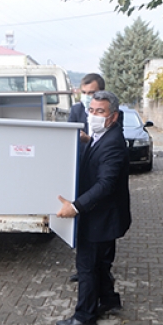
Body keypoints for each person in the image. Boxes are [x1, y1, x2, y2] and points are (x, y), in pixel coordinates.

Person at [56, 91, 131, 325]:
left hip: (101, 217)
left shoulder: (113, 144)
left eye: (100, 111)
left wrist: (75, 207)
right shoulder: (100, 136)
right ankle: (108, 300)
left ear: (113, 116)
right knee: (100, 264)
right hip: (103, 215)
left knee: (87, 266)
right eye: (91, 110)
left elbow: (105, 184)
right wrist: (87, 142)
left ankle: (84, 316)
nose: (94, 115)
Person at [67, 73, 105, 283]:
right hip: (80, 171)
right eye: (84, 92)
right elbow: (66, 137)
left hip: (99, 174)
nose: (87, 96)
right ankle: (82, 268)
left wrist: (88, 139)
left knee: (99, 221)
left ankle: (101, 267)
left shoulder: (110, 112)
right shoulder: (76, 110)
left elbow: (110, 143)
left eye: (92, 92)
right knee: (81, 221)